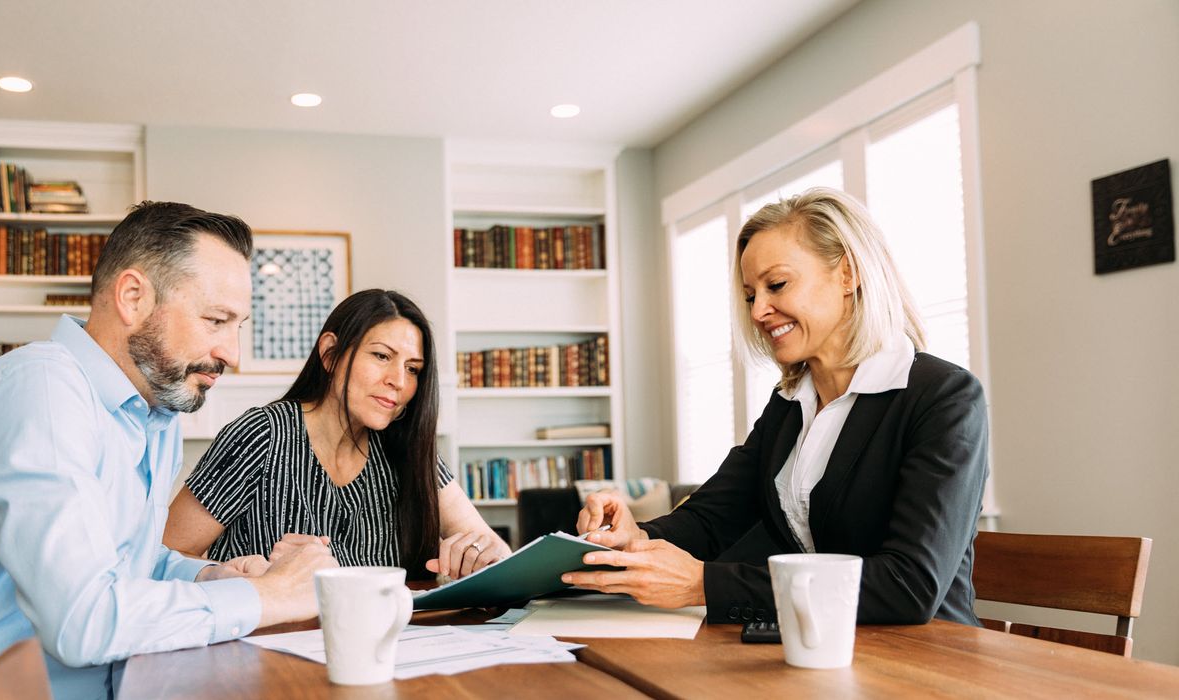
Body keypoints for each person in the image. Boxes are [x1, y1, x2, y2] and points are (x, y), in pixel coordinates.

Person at [0, 202, 338, 700]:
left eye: (238, 326)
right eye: (216, 320)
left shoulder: (155, 414)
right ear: (132, 297)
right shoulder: (40, 390)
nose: (232, 353)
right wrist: (269, 596)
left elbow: (124, 561)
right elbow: (83, 621)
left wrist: (212, 574)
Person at [565, 187, 988, 625]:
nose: (758, 311)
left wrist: (703, 585)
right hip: (822, 647)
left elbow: (908, 585)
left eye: (777, 285)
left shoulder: (944, 397)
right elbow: (712, 518)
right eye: (750, 295)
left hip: (929, 661)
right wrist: (636, 537)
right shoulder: (790, 403)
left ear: (848, 274)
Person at [164, 289, 512, 581]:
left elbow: (490, 547)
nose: (399, 381)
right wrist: (251, 575)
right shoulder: (261, 434)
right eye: (381, 356)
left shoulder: (407, 447)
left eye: (412, 369)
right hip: (265, 646)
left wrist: (489, 552)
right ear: (330, 354)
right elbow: (167, 555)